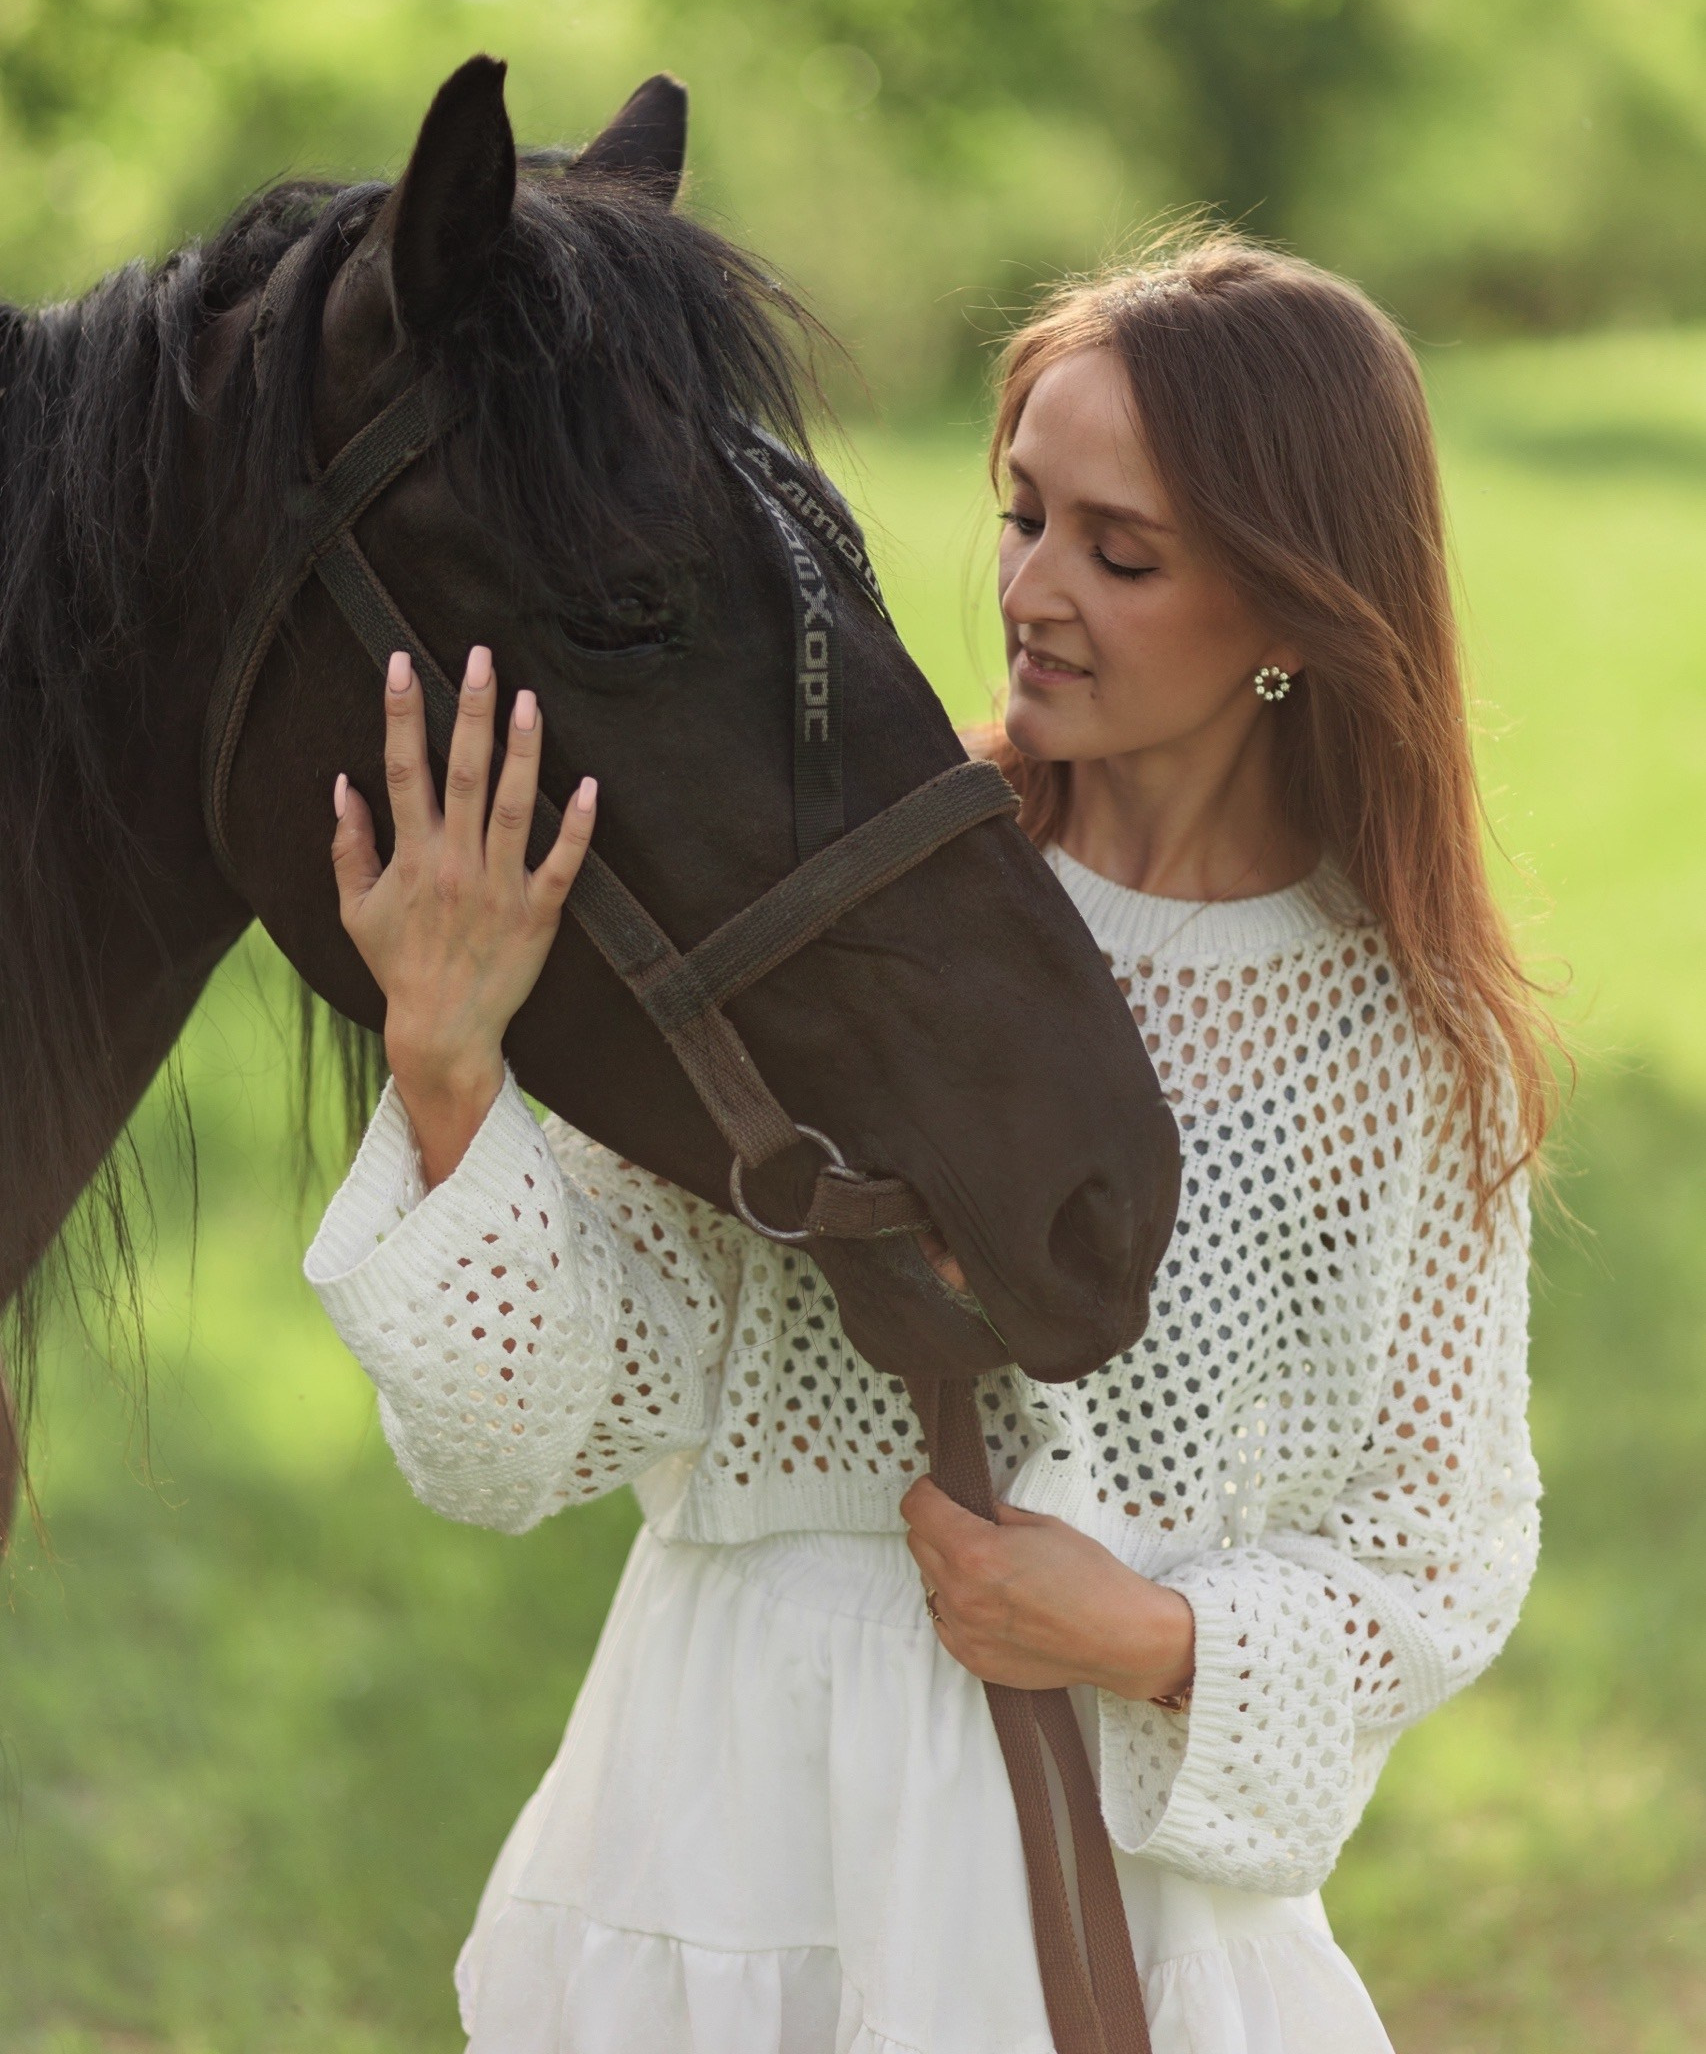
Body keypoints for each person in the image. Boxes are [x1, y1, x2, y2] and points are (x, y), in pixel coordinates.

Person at [306, 236, 1551, 2054]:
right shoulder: (831, 919)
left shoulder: (1395, 1052)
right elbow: (524, 1436)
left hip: (1110, 1906)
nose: (1031, 590)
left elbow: (1434, 1550)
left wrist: (1148, 1638)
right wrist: (447, 1063)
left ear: (1291, 612)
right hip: (721, 1843)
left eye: (1118, 552)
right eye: (1020, 514)